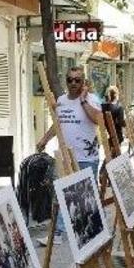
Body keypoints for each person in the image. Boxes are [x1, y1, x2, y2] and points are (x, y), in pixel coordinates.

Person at [36, 66, 103, 246]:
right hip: (65, 156)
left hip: (86, 158)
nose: (73, 83)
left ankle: (92, 233)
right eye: (70, 80)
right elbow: (58, 123)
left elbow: (98, 119)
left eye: (77, 80)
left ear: (84, 82)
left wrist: (82, 101)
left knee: (86, 197)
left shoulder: (92, 100)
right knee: (60, 194)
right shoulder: (61, 100)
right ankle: (58, 233)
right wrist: (44, 140)